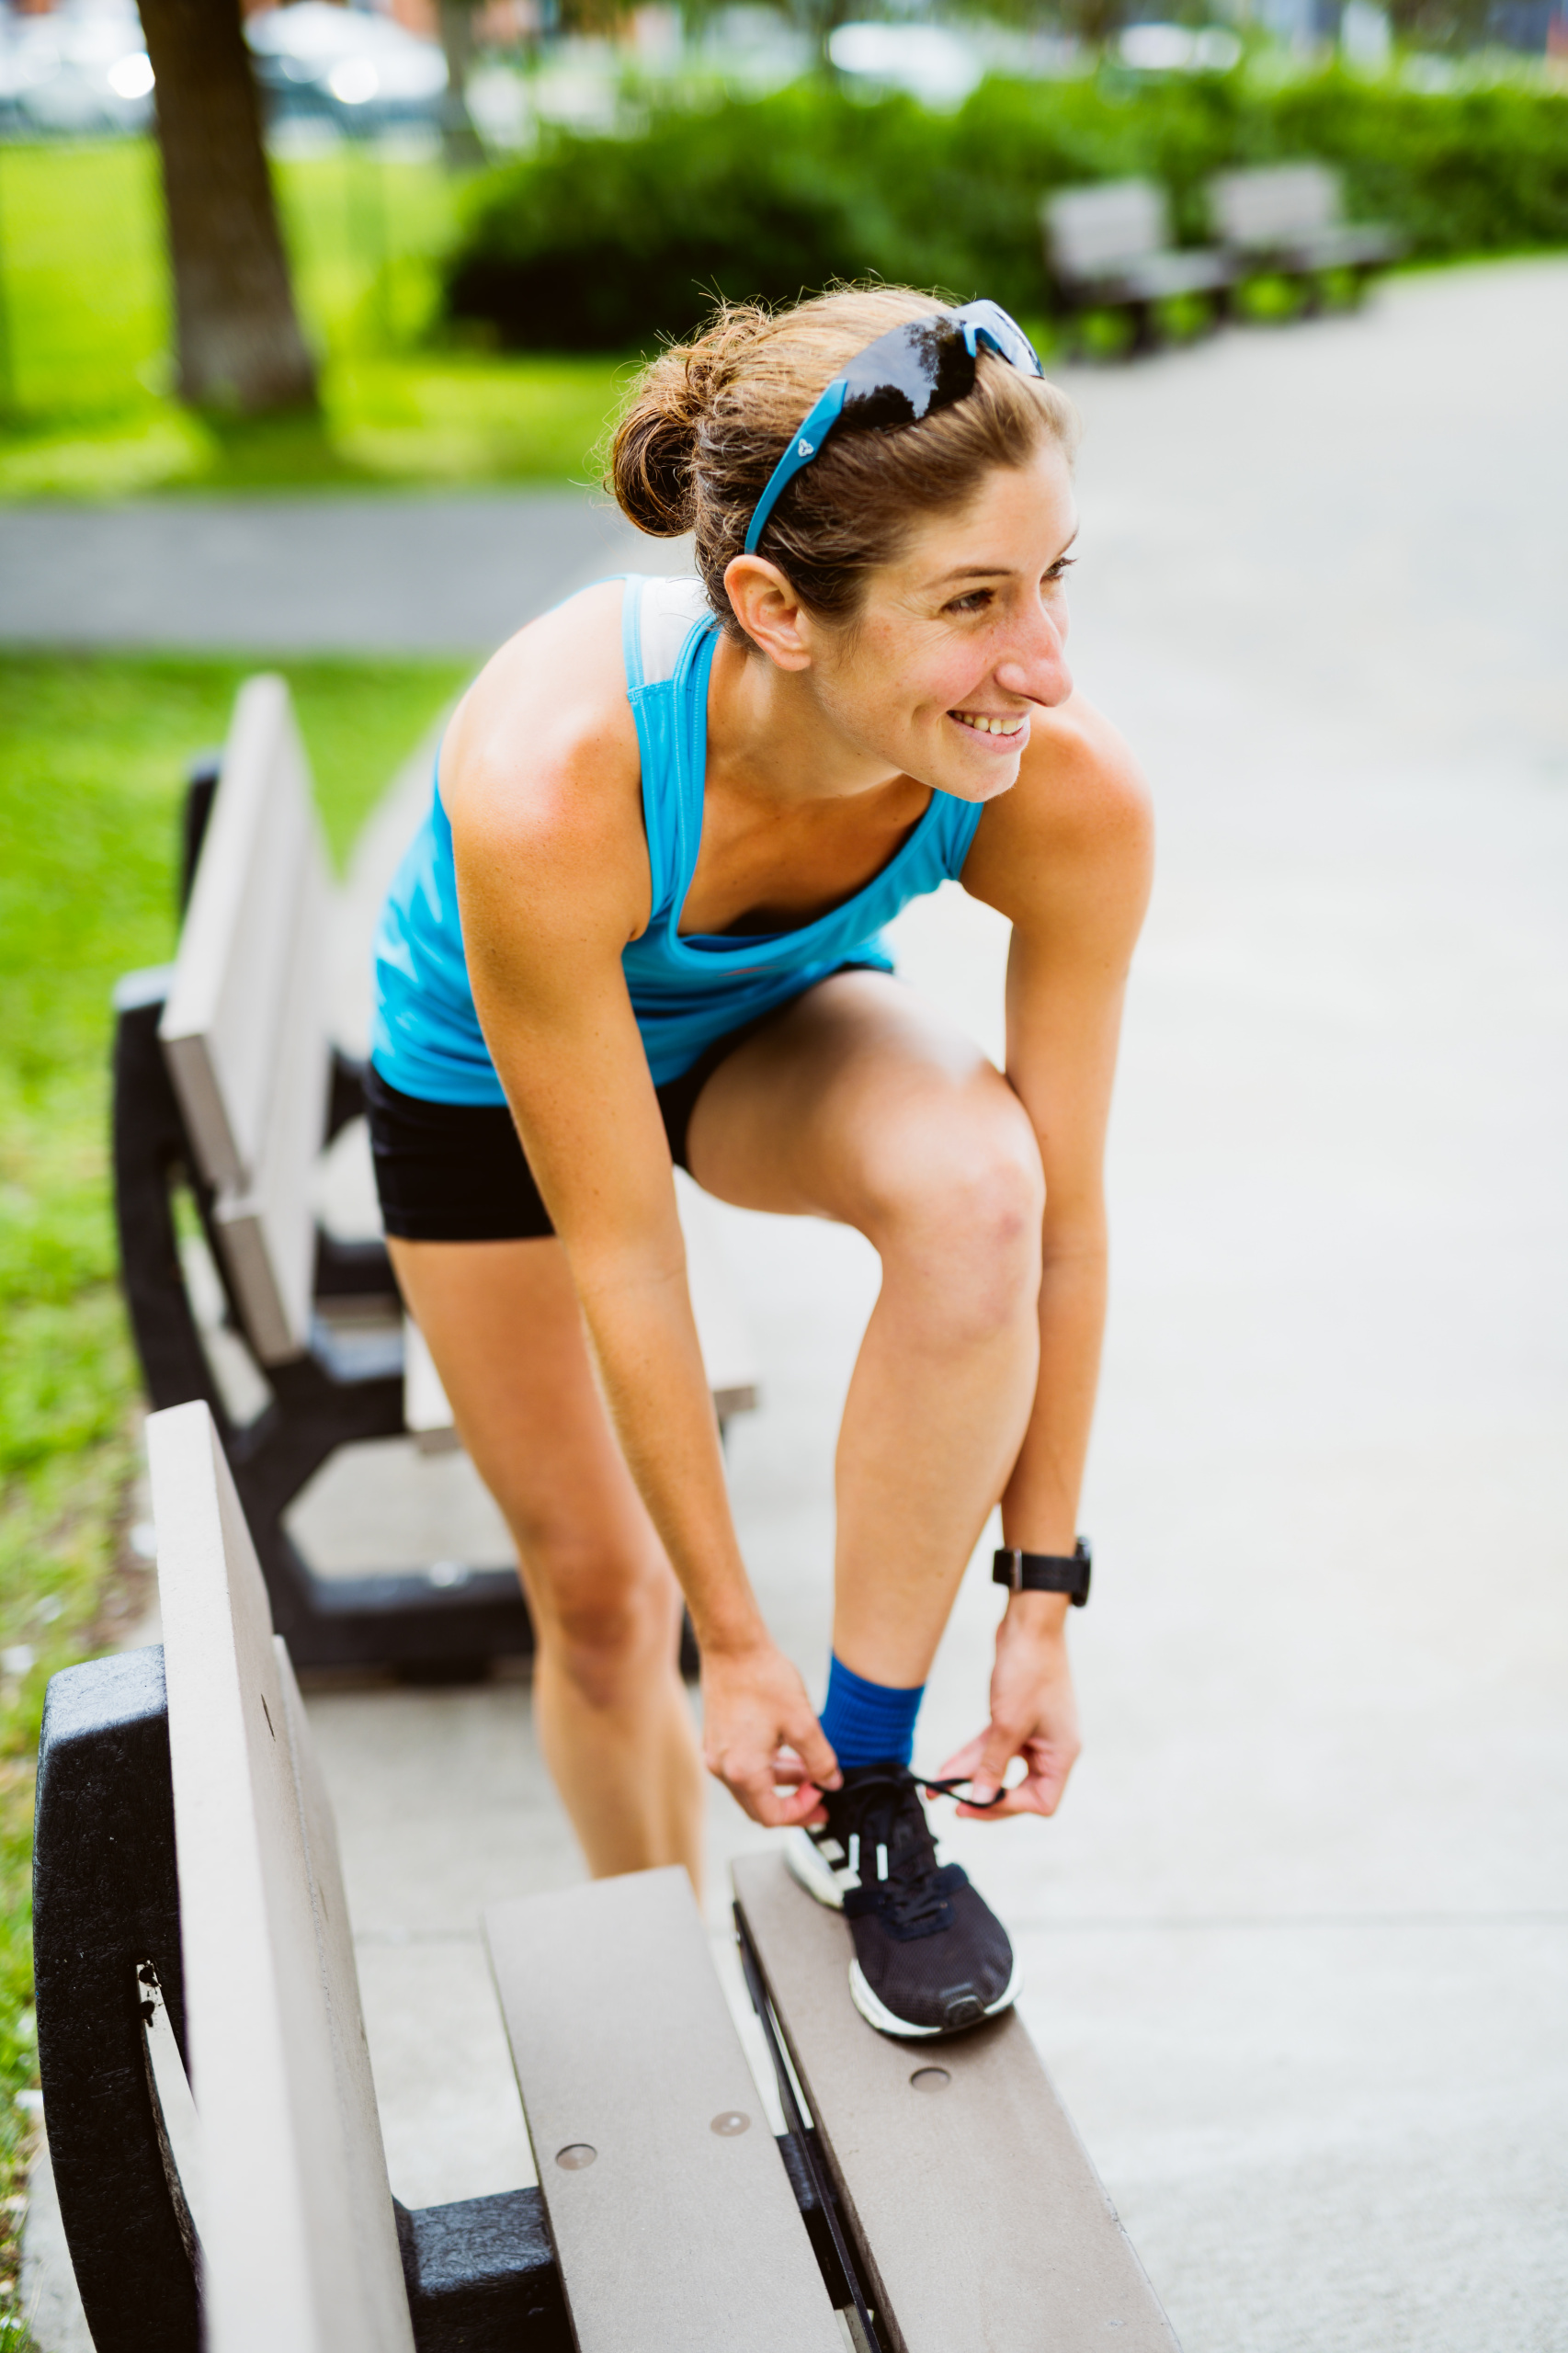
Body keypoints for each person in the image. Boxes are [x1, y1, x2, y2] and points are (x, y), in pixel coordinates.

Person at [366, 287, 1152, 2039]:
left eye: (1052, 579)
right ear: (775, 610)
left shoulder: (1058, 787)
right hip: (487, 1087)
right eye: (971, 603)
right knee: (598, 1595)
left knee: (984, 1189)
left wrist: (1039, 1605)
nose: (1044, 664)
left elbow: (1071, 1232)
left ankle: (862, 1797)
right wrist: (732, 1639)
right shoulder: (555, 781)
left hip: (752, 1027)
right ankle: (658, 2017)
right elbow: (623, 1251)